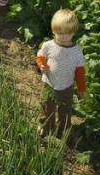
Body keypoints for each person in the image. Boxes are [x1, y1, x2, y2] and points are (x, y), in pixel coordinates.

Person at [36, 9, 87, 138]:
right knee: (47, 108)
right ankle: (46, 127)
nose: (64, 36)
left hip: (66, 87)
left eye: (68, 33)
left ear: (74, 32)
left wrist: (81, 89)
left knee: (65, 110)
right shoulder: (48, 45)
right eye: (60, 33)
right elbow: (40, 56)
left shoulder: (76, 52)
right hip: (49, 83)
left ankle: (63, 130)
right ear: (53, 31)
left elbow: (80, 72)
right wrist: (42, 65)